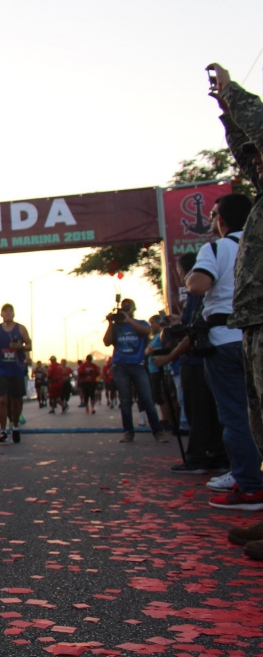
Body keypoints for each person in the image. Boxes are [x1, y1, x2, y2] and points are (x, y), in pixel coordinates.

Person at [208, 66, 263, 555]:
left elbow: (259, 130)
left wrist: (232, 93)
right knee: (256, 420)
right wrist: (227, 114)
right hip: (251, 323)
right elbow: (250, 154)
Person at [185, 192, 263, 512]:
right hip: (255, 336)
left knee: (236, 415)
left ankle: (250, 486)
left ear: (221, 218)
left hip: (226, 339)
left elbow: (198, 287)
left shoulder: (217, 247)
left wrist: (190, 276)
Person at [152, 253, 226, 475]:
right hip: (213, 356)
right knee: (213, 412)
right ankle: (218, 455)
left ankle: (197, 458)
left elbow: (193, 332)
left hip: (195, 360)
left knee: (197, 412)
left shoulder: (196, 293)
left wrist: (168, 357)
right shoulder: (214, 290)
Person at [102, 299, 167, 443]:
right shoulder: (116, 327)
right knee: (125, 401)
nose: (125, 312)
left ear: (133, 309)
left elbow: (147, 331)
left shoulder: (141, 323)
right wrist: (110, 324)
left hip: (138, 364)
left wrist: (129, 320)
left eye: (128, 308)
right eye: (123, 310)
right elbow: (106, 342)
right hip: (120, 366)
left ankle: (158, 431)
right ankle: (128, 432)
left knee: (147, 399)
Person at [0, 304, 32, 443]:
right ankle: (2, 431)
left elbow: (30, 345)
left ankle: (14, 427)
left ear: (14, 314)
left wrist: (20, 346)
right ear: (1, 314)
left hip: (16, 368)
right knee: (3, 400)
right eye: (5, 311)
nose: (8, 313)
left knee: (16, 400)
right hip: (1, 368)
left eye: (10, 311)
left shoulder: (20, 328)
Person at [144, 316, 174, 429]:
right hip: (156, 369)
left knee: (161, 395)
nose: (151, 326)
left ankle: (167, 419)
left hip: (158, 369)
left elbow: (148, 351)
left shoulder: (158, 337)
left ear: (158, 323)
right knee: (161, 395)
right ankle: (165, 418)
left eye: (152, 323)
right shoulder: (159, 337)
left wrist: (148, 350)